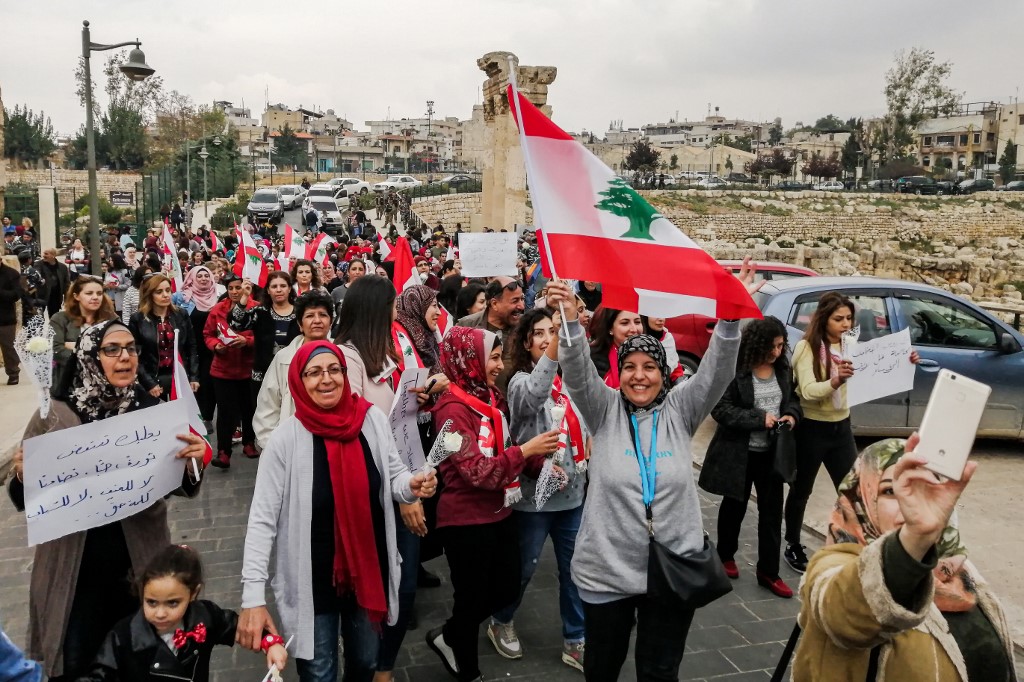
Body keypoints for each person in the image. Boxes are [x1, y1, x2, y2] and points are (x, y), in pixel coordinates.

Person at [547, 269, 755, 682]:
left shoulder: (681, 409)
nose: (639, 376)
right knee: (601, 669)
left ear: (663, 372)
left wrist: (731, 319)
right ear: (619, 371)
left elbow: (716, 371)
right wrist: (570, 322)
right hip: (607, 571)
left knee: (660, 672)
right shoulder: (602, 409)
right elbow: (575, 372)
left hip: (672, 569)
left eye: (649, 367)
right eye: (630, 367)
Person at [6, 320, 208, 681]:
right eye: (112, 349)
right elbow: (23, 498)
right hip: (74, 571)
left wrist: (193, 462)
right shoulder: (53, 415)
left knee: (141, 661)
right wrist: (23, 475)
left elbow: (180, 483)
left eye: (131, 348)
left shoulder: (150, 411)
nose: (125, 357)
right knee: (77, 660)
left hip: (138, 565)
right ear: (89, 356)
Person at [238, 341, 437, 682]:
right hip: (311, 580)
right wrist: (252, 597)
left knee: (365, 661)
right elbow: (262, 520)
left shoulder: (370, 419)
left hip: (367, 569)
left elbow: (393, 474)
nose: (326, 379)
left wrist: (411, 486)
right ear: (298, 381)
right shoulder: (286, 439)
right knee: (319, 672)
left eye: (334, 370)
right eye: (313, 372)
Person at [792, 436, 1015, 681]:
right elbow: (845, 614)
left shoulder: (955, 567)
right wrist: (913, 539)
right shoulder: (832, 567)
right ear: (861, 498)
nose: (911, 503)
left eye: (923, 488)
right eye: (890, 491)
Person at [424, 327, 560, 682]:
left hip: (499, 512)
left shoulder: (490, 397)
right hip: (465, 520)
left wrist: (542, 464)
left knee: (506, 588)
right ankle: (467, 669)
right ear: (469, 360)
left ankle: (450, 635)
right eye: (494, 357)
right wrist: (525, 452)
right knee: (471, 599)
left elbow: (505, 447)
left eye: (500, 356)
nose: (500, 365)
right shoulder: (450, 411)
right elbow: (475, 471)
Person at [783, 291, 918, 573]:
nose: (845, 324)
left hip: (841, 426)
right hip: (812, 427)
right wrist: (835, 380)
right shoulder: (807, 348)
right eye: (838, 319)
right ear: (823, 319)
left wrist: (905, 362)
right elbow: (807, 391)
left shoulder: (851, 346)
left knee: (852, 490)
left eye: (849, 318)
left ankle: (854, 542)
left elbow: (876, 371)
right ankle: (793, 543)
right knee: (801, 489)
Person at [487, 307, 589, 671]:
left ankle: (575, 638)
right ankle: (501, 619)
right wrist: (558, 344)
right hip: (534, 500)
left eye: (553, 331)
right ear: (527, 341)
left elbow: (585, 418)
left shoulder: (570, 383)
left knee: (575, 569)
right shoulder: (519, 383)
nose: (548, 338)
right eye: (541, 333)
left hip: (572, 498)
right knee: (524, 568)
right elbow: (534, 395)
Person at [374, 284, 450, 681]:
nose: (438, 310)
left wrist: (429, 392)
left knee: (422, 509)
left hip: (419, 432)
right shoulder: (387, 339)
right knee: (405, 512)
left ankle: (413, 570)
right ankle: (401, 592)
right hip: (395, 439)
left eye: (438, 304)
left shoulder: (422, 336)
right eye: (433, 304)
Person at [699, 316, 801, 599]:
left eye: (782, 345)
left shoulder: (782, 369)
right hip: (739, 454)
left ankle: (769, 572)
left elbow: (794, 399)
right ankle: (725, 555)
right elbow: (721, 409)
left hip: (772, 455)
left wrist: (791, 415)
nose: (778, 352)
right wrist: (759, 418)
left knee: (771, 516)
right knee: (734, 507)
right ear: (757, 345)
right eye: (773, 346)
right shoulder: (737, 370)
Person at [75, 544, 287, 681]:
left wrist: (271, 643)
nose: (160, 613)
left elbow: (238, 627)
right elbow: (100, 673)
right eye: (151, 602)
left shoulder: (204, 617)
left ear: (192, 593)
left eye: (172, 603)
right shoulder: (124, 635)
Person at [253, 291, 335, 449]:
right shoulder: (284, 358)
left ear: (331, 321)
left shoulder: (343, 355)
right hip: (293, 444)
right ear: (299, 324)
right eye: (310, 316)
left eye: (323, 315)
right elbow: (268, 406)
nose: (317, 321)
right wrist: (271, 445)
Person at [203, 275, 258, 467]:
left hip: (247, 368)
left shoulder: (256, 308)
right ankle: (223, 451)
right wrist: (216, 345)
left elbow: (263, 336)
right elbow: (208, 334)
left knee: (249, 409)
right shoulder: (218, 309)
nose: (235, 292)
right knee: (225, 413)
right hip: (223, 369)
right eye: (231, 288)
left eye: (238, 287)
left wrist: (248, 342)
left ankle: (249, 443)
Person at [128, 274, 198, 400]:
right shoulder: (137, 319)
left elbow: (191, 347)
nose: (166, 295)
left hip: (179, 377)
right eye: (159, 292)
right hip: (151, 377)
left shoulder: (181, 314)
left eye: (168, 290)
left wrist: (193, 376)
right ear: (149, 294)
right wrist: (149, 383)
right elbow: (134, 355)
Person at [229, 272, 299, 396]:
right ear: (268, 290)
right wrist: (244, 296)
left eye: (283, 286)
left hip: (294, 374)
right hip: (262, 376)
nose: (278, 290)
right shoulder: (260, 312)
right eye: (274, 286)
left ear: (289, 289)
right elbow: (236, 324)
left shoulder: (300, 313)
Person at [456, 276, 525, 391]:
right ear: (494, 304)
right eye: (515, 301)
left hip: (518, 403)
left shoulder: (527, 325)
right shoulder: (466, 326)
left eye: (522, 299)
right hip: (479, 404)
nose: (521, 306)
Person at [172, 266, 220, 429]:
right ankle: (191, 417)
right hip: (190, 348)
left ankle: (206, 417)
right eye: (199, 276)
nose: (204, 278)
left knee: (208, 383)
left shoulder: (218, 295)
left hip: (212, 347)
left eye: (207, 275)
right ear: (192, 278)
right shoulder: (182, 297)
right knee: (191, 381)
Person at [51, 276, 118, 380]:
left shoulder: (111, 319)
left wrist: (76, 346)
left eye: (99, 293)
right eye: (89, 293)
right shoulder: (60, 319)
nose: (95, 297)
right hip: (70, 380)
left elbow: (118, 348)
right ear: (76, 296)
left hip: (106, 379)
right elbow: (56, 350)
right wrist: (95, 353)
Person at [588, 307, 643, 387]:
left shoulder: (652, 355)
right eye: (625, 323)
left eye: (637, 322)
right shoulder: (591, 359)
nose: (634, 329)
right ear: (610, 329)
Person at [0, 259, 22, 385]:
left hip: (5, 318)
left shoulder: (11, 274)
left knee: (8, 348)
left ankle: (13, 373)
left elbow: (16, 294)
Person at [36, 248, 71, 318]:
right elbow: (37, 276)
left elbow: (66, 283)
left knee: (54, 316)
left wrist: (67, 297)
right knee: (38, 317)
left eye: (46, 254)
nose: (44, 256)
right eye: (44, 253)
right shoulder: (39, 265)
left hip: (56, 296)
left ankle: (52, 328)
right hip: (41, 295)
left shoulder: (62, 267)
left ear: (53, 255)